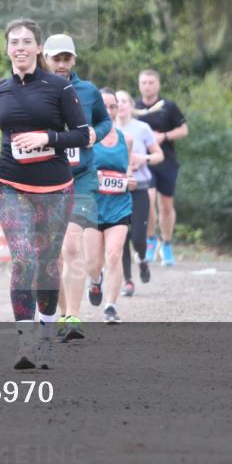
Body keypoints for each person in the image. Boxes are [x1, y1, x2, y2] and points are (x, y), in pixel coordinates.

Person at [0, 19, 90, 369]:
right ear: (7, 49)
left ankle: (46, 334)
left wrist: (47, 138)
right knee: (23, 259)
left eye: (27, 42)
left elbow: (83, 135)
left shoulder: (58, 87)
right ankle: (25, 341)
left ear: (38, 48)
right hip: (10, 185)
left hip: (55, 188)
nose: (20, 47)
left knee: (46, 265)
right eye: (14, 42)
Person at [41, 33, 111, 342]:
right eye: (55, 58)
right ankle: (60, 313)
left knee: (71, 245)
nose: (61, 64)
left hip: (81, 177)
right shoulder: (34, 89)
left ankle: (73, 317)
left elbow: (105, 122)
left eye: (66, 58)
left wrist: (96, 133)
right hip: (46, 176)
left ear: (74, 60)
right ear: (45, 58)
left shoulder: (88, 91)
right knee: (53, 254)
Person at [135, 69, 188, 267]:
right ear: (139, 85)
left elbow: (184, 130)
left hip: (166, 161)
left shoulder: (168, 106)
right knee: (147, 202)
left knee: (165, 205)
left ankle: (166, 244)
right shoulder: (134, 108)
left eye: (151, 82)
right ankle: (150, 240)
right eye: (144, 82)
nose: (147, 86)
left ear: (158, 84)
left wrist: (164, 136)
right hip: (143, 163)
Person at [114, 90, 164, 296]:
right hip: (116, 190)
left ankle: (142, 259)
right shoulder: (107, 129)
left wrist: (143, 159)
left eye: (124, 101)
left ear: (131, 105)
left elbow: (159, 155)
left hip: (141, 187)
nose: (121, 105)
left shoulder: (142, 128)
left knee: (138, 236)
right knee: (121, 237)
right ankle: (128, 281)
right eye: (116, 102)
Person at [93, 89, 134, 323]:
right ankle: (95, 278)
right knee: (94, 260)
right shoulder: (87, 139)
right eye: (104, 106)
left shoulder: (126, 139)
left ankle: (110, 306)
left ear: (118, 110)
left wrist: (129, 180)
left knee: (114, 253)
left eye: (112, 106)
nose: (108, 111)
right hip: (94, 206)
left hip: (119, 205)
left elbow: (127, 171)